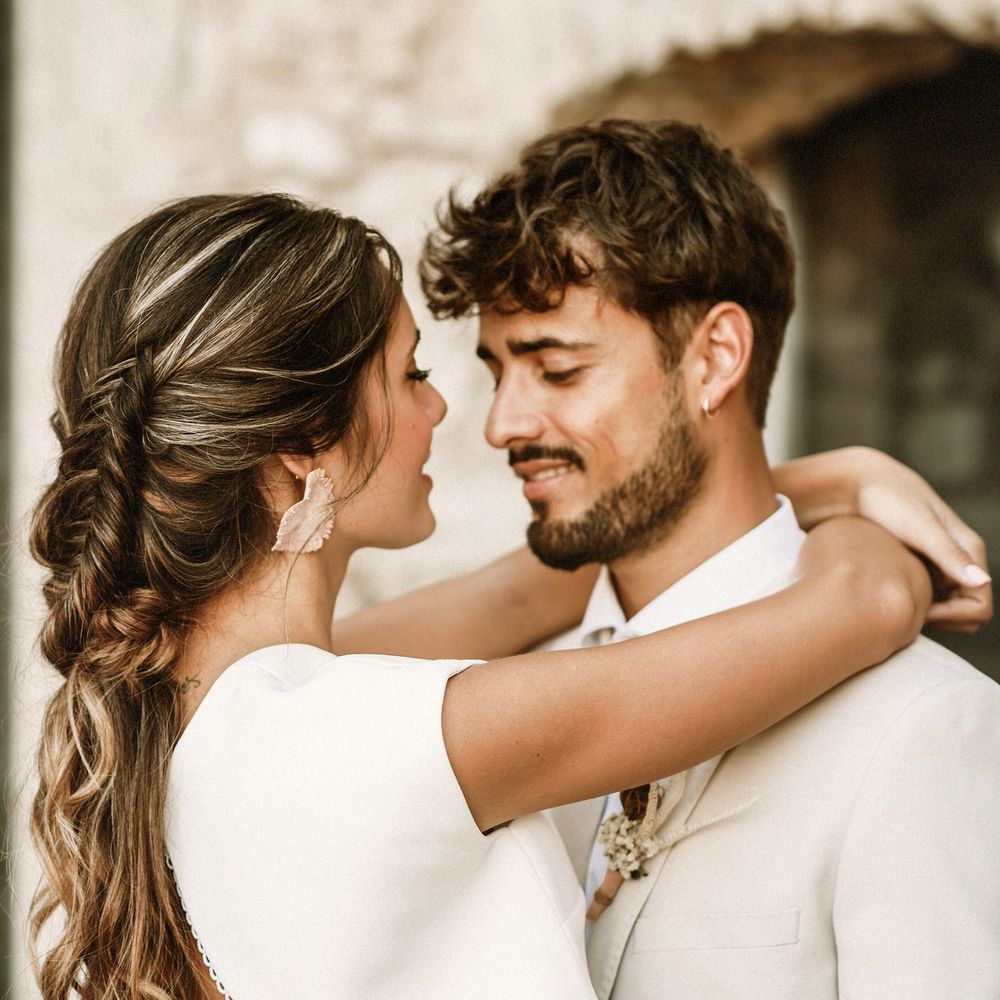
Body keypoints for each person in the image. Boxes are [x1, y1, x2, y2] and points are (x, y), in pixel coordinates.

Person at [24, 194, 962, 1000]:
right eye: (412, 374)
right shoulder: (353, 734)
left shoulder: (212, 700)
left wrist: (805, 478)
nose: (447, 412)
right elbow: (867, 603)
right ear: (306, 441)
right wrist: (860, 499)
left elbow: (522, 593)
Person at [416, 120, 1000, 999]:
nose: (503, 424)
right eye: (500, 373)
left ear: (717, 358)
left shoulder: (923, 729)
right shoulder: (497, 706)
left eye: (557, 370)